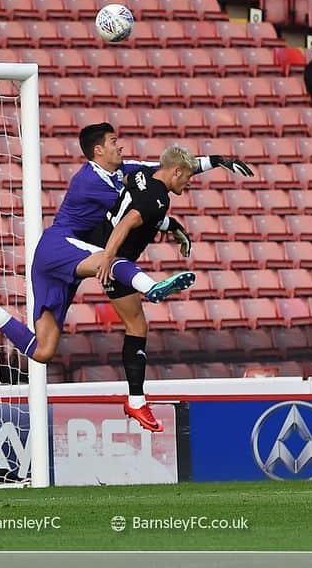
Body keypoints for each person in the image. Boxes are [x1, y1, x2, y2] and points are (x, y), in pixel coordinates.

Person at [0, 124, 252, 378]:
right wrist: (170, 224)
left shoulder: (122, 172)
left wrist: (215, 161)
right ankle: (152, 288)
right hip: (58, 247)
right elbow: (141, 201)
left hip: (60, 262)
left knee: (43, 351)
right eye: (115, 141)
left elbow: (168, 169)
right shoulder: (88, 181)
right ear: (98, 150)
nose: (122, 147)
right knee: (112, 259)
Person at [84, 146, 199, 431]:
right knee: (136, 321)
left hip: (96, 240)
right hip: (108, 255)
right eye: (187, 176)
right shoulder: (158, 197)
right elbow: (128, 222)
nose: (189, 181)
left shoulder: (141, 175)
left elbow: (138, 210)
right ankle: (151, 287)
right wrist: (108, 258)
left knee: (136, 325)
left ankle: (136, 400)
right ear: (175, 171)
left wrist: (173, 227)